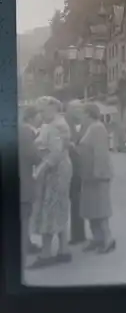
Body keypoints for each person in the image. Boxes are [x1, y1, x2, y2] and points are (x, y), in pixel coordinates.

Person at [29, 97, 73, 269]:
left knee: (49, 210)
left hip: (56, 172)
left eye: (42, 110)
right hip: (59, 170)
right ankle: (64, 250)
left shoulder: (57, 125)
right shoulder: (55, 124)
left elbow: (55, 153)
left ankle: (46, 254)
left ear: (52, 108)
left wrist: (39, 169)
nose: (40, 114)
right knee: (59, 209)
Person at [78, 103, 115, 254]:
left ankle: (108, 239)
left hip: (97, 176)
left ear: (88, 114)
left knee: (100, 209)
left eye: (83, 113)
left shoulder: (97, 128)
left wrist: (98, 173)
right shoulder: (90, 128)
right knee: (91, 209)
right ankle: (97, 238)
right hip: (88, 175)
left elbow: (100, 153)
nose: (81, 116)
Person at [18, 105, 42, 267]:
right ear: (32, 117)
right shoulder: (26, 132)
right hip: (23, 180)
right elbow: (33, 156)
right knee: (25, 214)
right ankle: (23, 246)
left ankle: (26, 242)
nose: (40, 118)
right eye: (38, 115)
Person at [65, 100, 87, 245]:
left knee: (79, 203)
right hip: (67, 169)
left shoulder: (86, 124)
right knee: (69, 203)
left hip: (81, 171)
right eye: (75, 108)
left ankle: (79, 235)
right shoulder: (65, 125)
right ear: (69, 110)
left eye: (80, 108)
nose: (79, 111)